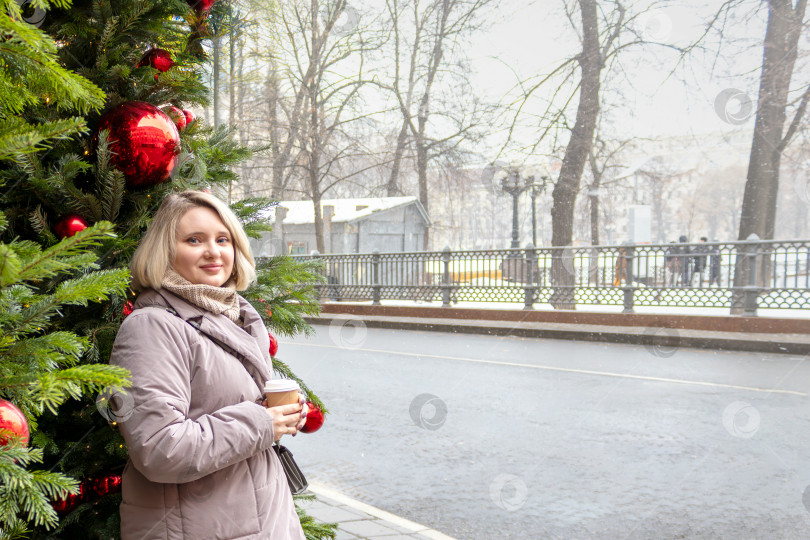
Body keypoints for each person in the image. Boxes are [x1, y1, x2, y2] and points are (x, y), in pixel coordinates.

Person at [109, 191, 307, 540]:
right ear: (165, 251)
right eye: (194, 240)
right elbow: (158, 448)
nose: (213, 251)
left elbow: (230, 407)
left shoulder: (234, 316)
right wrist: (262, 422)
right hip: (199, 527)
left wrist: (279, 414)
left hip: (260, 518)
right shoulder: (153, 326)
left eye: (222, 239)